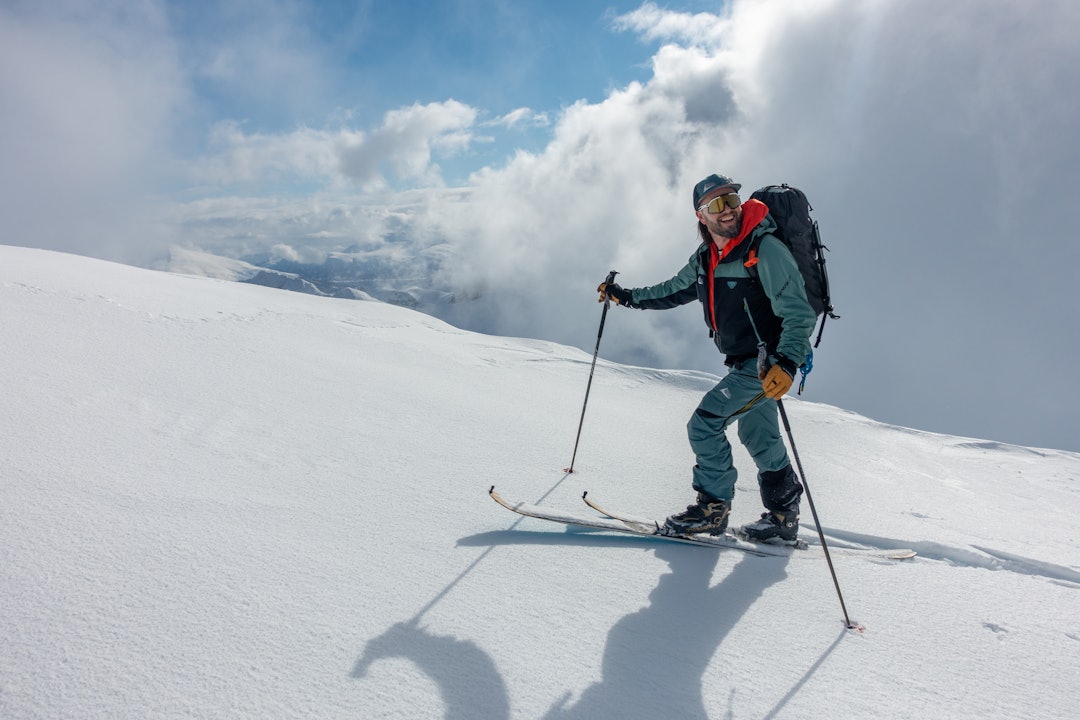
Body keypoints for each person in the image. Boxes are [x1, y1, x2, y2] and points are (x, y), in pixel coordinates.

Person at [598, 173, 817, 543]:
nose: (727, 211)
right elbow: (672, 289)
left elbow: (798, 313)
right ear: (701, 215)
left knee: (704, 424)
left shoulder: (764, 249)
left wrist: (788, 362)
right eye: (716, 205)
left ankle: (712, 509)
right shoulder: (707, 258)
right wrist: (626, 296)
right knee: (758, 434)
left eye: (732, 200)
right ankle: (783, 515)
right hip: (746, 362)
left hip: (767, 363)